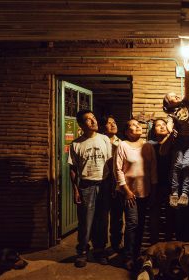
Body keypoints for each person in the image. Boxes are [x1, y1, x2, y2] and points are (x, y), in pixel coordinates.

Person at [68, 109, 112, 268]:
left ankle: (100, 250)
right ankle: (82, 252)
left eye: (94, 117)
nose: (93, 121)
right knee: (85, 221)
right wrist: (75, 189)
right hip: (86, 185)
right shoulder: (76, 144)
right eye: (88, 119)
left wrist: (112, 185)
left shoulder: (105, 139)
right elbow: (72, 169)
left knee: (102, 219)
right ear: (81, 124)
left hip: (104, 183)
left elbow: (110, 163)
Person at [114, 118, 157, 270]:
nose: (137, 126)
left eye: (138, 124)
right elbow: (118, 169)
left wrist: (153, 189)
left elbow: (152, 168)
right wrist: (126, 190)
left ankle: (137, 254)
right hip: (128, 192)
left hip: (145, 191)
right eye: (133, 124)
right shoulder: (122, 145)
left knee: (140, 225)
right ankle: (128, 257)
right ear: (126, 131)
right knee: (132, 223)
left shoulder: (147, 146)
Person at [163, 60, 189, 208]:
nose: (176, 96)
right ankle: (174, 193)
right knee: (176, 166)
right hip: (180, 141)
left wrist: (186, 71)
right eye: (173, 96)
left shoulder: (186, 103)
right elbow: (169, 124)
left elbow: (187, 89)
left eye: (176, 95)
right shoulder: (172, 113)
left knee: (187, 165)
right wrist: (170, 130)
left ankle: (185, 193)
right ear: (168, 103)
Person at [147, 118, 176, 244]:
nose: (162, 127)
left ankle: (168, 246)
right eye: (158, 125)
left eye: (164, 124)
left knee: (171, 215)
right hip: (154, 184)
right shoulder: (150, 144)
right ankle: (153, 246)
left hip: (171, 184)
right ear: (154, 130)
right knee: (154, 215)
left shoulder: (175, 143)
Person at [100, 115, 123, 253]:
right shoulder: (99, 141)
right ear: (103, 127)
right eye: (109, 123)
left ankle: (116, 243)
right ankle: (100, 246)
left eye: (114, 122)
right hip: (102, 182)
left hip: (116, 181)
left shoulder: (121, 142)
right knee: (102, 216)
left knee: (117, 215)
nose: (113, 125)